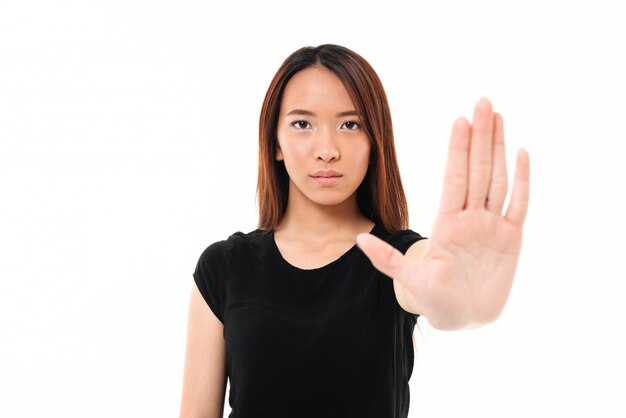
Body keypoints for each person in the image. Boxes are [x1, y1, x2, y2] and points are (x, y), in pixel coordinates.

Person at [179, 44, 530, 418]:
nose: (327, 150)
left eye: (350, 124)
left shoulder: (397, 260)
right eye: (302, 124)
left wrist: (463, 297)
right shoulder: (224, 268)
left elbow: (433, 284)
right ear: (275, 142)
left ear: (374, 140)